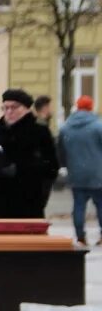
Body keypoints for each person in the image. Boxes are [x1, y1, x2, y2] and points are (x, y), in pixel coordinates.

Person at [0, 89, 59, 219]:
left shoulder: (40, 132)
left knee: (25, 239)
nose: (9, 112)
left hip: (28, 202)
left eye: (14, 107)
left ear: (27, 108)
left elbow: (51, 167)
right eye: (5, 108)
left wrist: (19, 169)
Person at [58, 95, 102, 245]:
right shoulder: (98, 126)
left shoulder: (66, 127)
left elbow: (61, 151)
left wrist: (65, 165)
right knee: (101, 205)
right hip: (97, 173)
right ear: (91, 107)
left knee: (78, 206)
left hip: (76, 173)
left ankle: (81, 237)